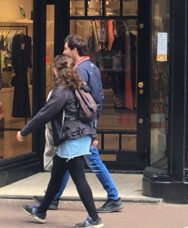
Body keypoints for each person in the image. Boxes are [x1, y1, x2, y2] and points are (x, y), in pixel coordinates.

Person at [34, 34, 124, 213]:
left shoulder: (80, 70)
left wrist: (89, 126)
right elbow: (98, 96)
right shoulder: (92, 66)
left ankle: (113, 197)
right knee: (67, 160)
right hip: (85, 124)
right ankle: (53, 198)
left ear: (74, 50)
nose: (64, 51)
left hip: (81, 126)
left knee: (91, 160)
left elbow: (77, 99)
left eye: (66, 48)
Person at [18, 55, 103, 228]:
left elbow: (44, 114)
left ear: (55, 70)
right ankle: (41, 211)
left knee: (79, 179)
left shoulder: (61, 90)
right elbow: (89, 111)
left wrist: (24, 131)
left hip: (71, 138)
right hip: (77, 136)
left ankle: (94, 218)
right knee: (56, 176)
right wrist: (93, 135)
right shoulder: (78, 85)